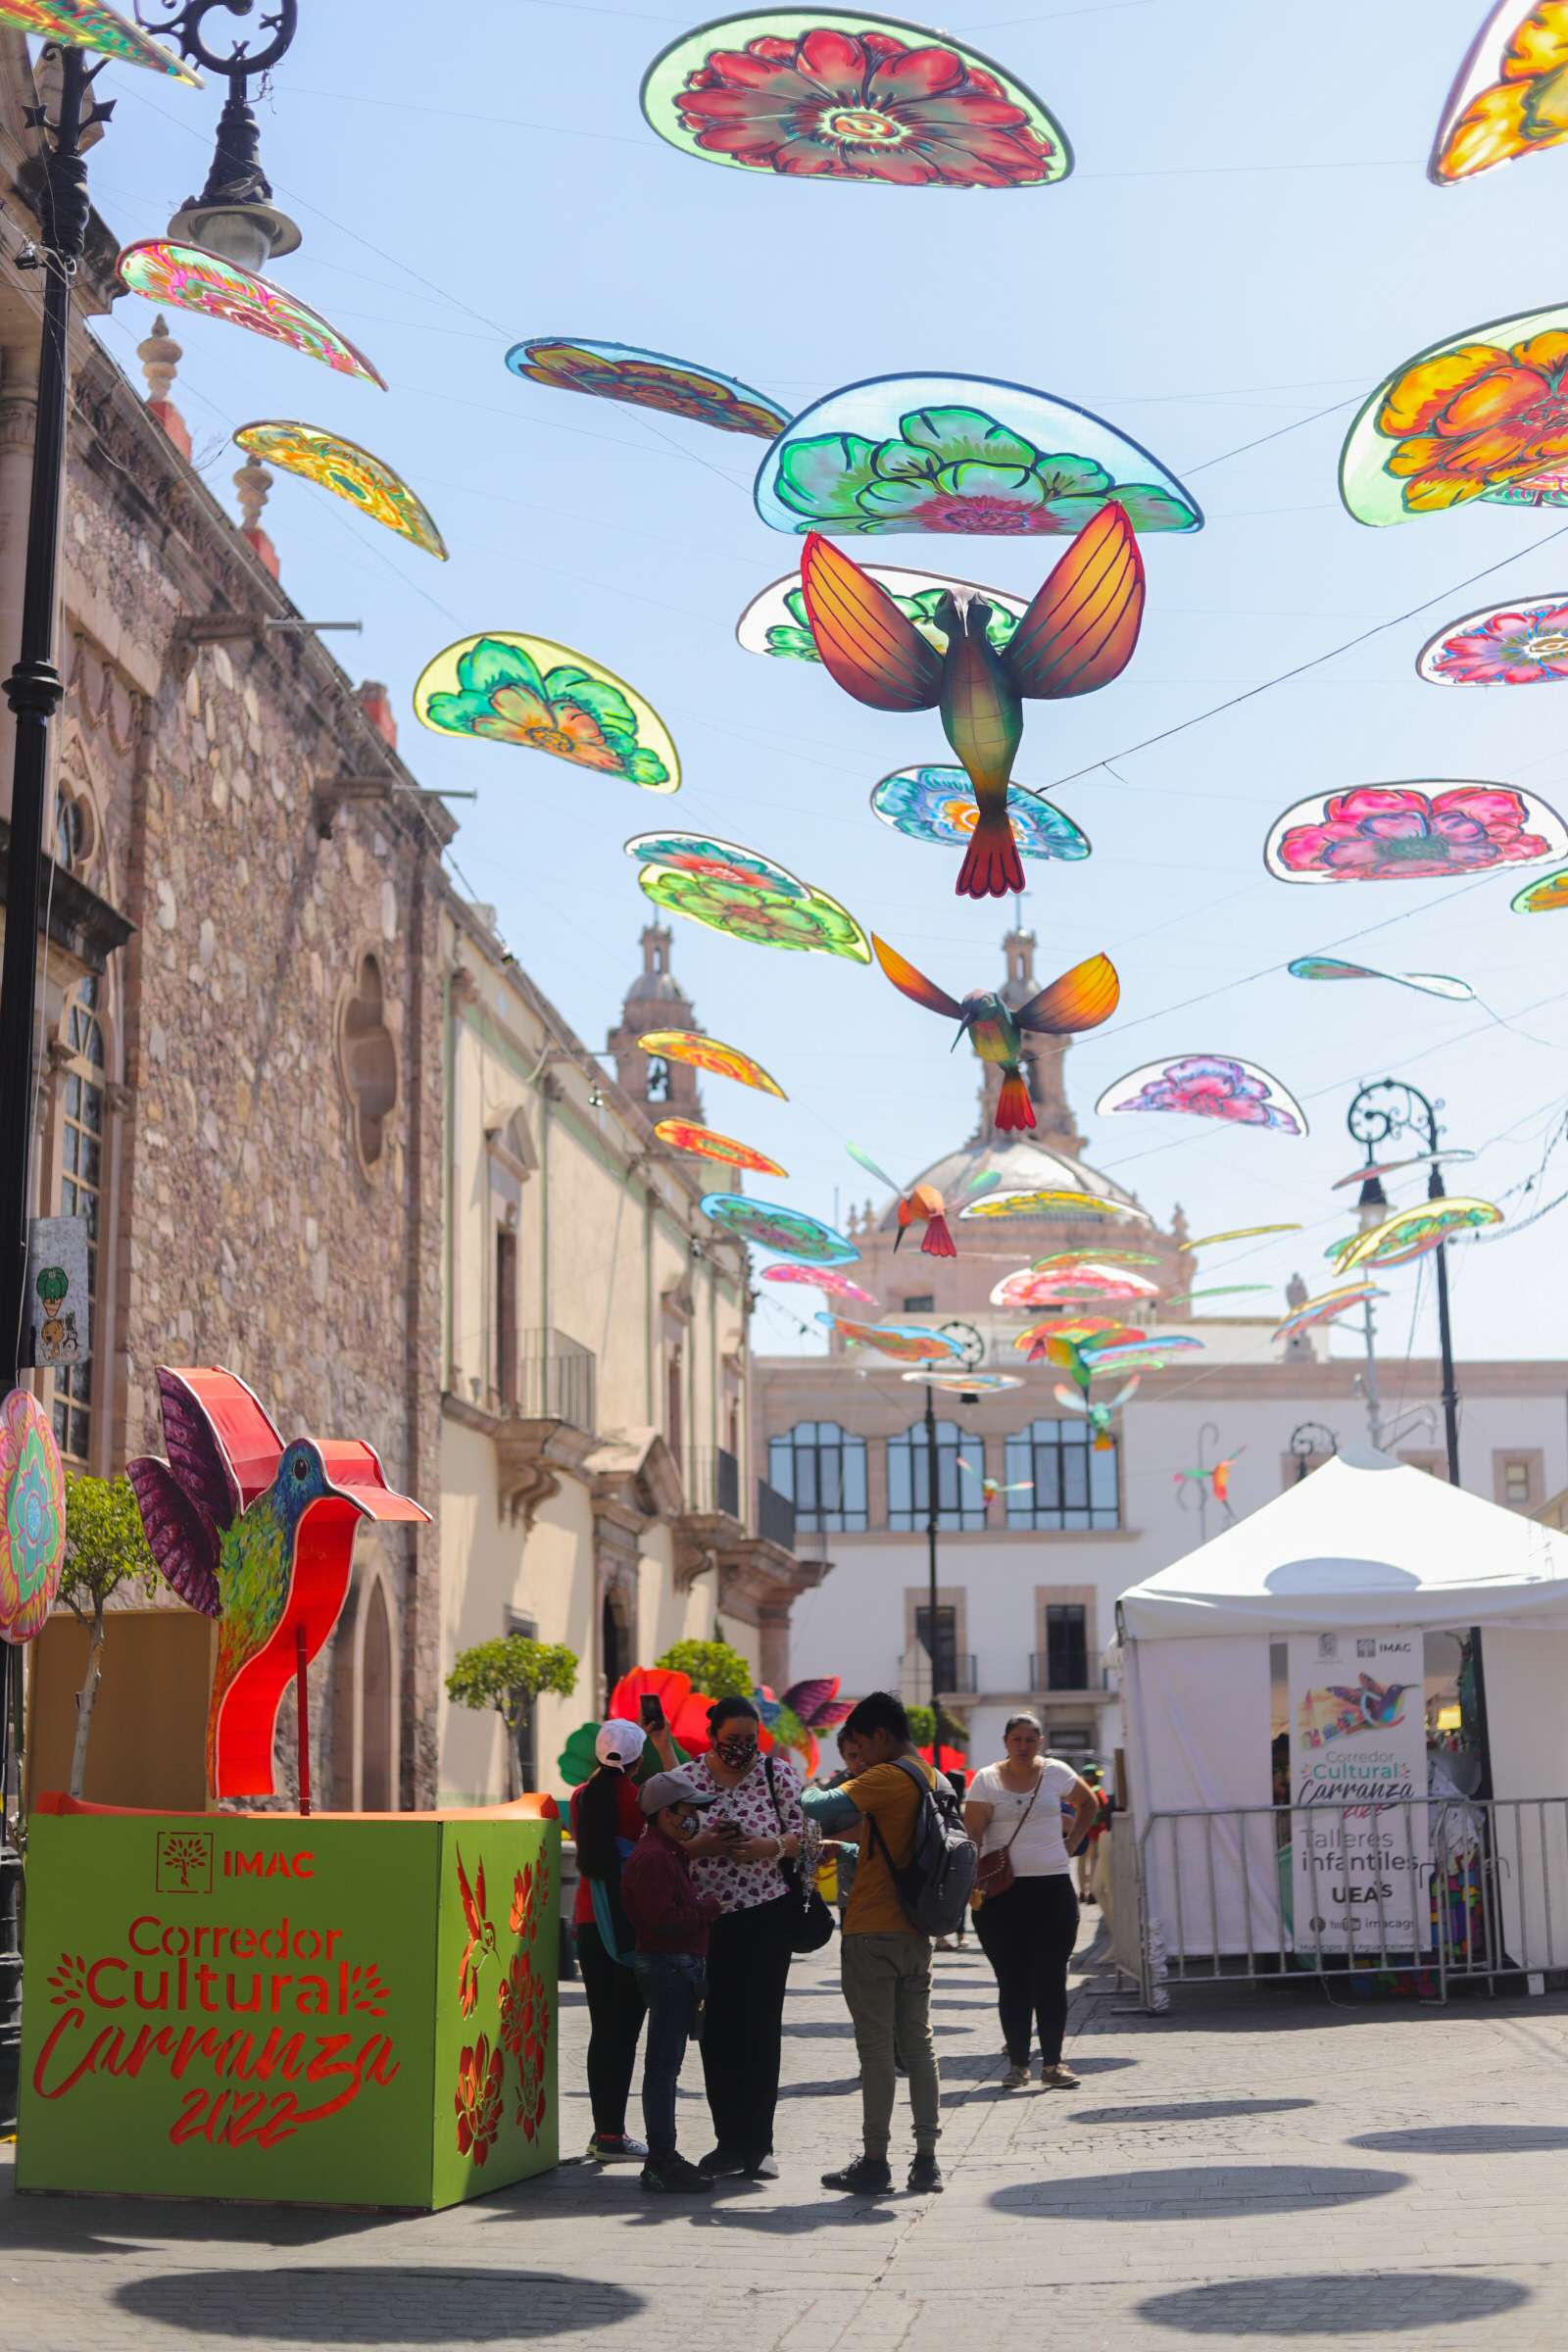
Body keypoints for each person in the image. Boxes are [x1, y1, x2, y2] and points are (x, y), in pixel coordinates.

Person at [803, 1691, 944, 2197]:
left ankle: (875, 2160)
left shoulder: (887, 1776)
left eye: (860, 1746)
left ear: (881, 1735)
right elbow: (896, 1847)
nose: (858, 1759)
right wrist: (848, 1848)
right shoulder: (933, 1778)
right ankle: (926, 2161)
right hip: (916, 1931)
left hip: (871, 1932)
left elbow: (816, 1804)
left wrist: (797, 1778)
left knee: (877, 2050)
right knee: (919, 2047)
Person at [687, 1694, 803, 2181]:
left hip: (766, 1917)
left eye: (750, 1740)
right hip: (708, 1922)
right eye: (732, 1739)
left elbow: (806, 1835)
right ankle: (727, 2142)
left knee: (759, 2029)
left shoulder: (777, 1775)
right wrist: (703, 1844)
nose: (742, 1748)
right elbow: (666, 1844)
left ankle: (758, 2144)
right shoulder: (686, 1781)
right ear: (712, 1735)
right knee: (715, 2030)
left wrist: (766, 1847)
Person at [964, 1712, 1100, 2090]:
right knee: (1012, 1980)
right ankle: (1019, 2065)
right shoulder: (986, 1779)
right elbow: (972, 1833)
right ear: (1005, 1742)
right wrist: (970, 1879)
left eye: (1030, 1740)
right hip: (1001, 1894)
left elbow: (1088, 1804)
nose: (1023, 1746)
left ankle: (1053, 2064)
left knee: (1051, 1977)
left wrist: (1072, 1842)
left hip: (1052, 1889)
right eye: (1016, 1739)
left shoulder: (1056, 1773)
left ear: (1041, 1742)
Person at [619, 1767, 724, 2193]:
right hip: (667, 1967)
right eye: (688, 1811)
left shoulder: (667, 1853)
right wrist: (706, 1909)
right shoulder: (655, 1857)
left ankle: (665, 2157)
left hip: (675, 1966)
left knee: (666, 2067)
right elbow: (659, 1919)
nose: (694, 1818)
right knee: (663, 2068)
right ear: (666, 1814)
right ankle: (661, 2161)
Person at [569, 1719, 652, 2163]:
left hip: (588, 1922)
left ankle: (603, 2132)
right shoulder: (642, 1800)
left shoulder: (582, 1797)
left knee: (603, 2030)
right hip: (629, 1925)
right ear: (638, 1759)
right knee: (624, 2033)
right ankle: (612, 2137)